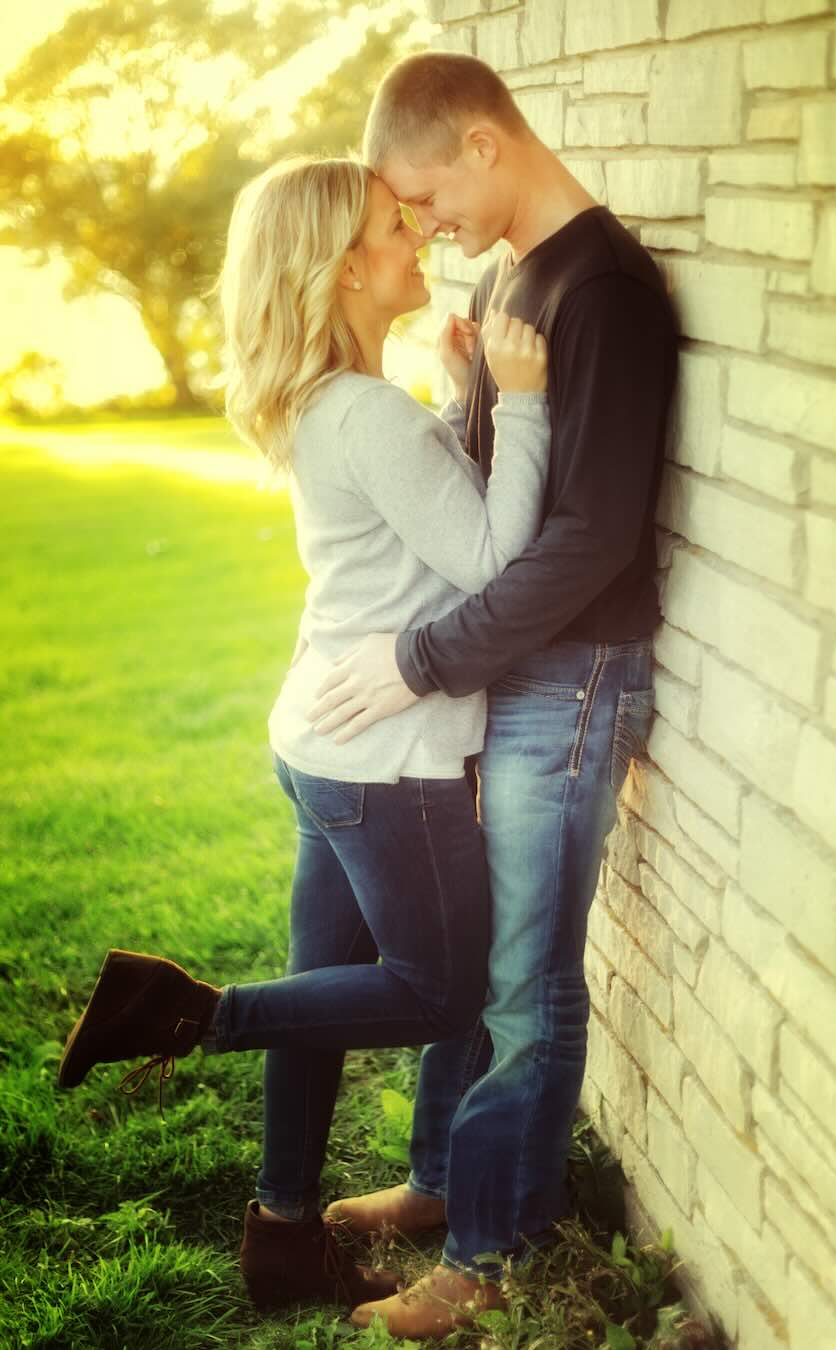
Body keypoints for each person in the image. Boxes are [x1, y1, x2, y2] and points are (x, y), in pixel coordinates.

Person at [57, 154, 552, 1317]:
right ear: (339, 270)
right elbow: (491, 561)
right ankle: (185, 1011)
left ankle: (283, 1236)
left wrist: (455, 399)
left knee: (325, 987)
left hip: (322, 747)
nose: (416, 239)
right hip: (389, 767)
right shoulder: (368, 416)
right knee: (441, 994)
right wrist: (522, 405)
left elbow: (409, 519)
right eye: (392, 227)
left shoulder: (333, 403)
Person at [307, 53, 678, 1339]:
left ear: (481, 143)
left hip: (568, 683)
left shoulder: (609, 296)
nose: (424, 225)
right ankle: (434, 1183)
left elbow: (589, 542)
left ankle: (493, 1249)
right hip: (504, 674)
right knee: (471, 957)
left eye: (424, 196)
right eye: (403, 216)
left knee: (524, 979)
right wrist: (471, 391)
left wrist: (422, 660)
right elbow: (492, 502)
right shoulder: (509, 275)